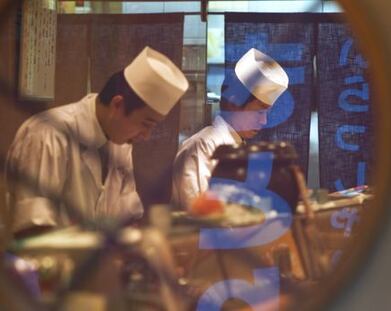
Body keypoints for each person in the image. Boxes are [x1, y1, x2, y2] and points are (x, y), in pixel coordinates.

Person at [5, 46, 189, 238]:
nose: (146, 135)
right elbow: (32, 226)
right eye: (145, 123)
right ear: (117, 105)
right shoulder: (49, 133)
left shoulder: (121, 143)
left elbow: (129, 218)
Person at [171, 48, 289, 210]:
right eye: (259, 111)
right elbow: (200, 215)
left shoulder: (240, 146)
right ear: (234, 102)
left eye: (267, 112)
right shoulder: (203, 146)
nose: (264, 121)